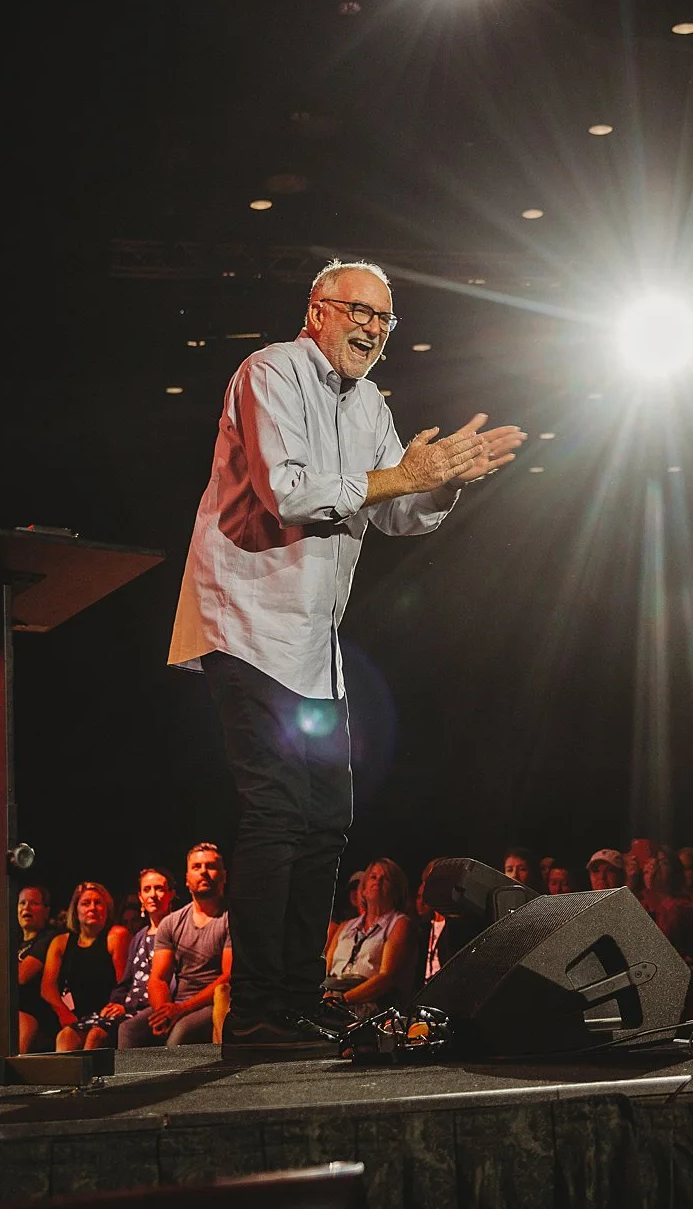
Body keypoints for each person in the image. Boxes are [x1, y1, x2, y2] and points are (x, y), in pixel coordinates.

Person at [165, 259, 523, 1049]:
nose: (371, 327)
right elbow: (288, 491)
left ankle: (295, 998)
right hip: (248, 622)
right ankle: (256, 1008)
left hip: (313, 648)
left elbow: (397, 514)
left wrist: (444, 482)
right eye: (358, 310)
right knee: (276, 812)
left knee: (327, 818)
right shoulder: (270, 371)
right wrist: (401, 474)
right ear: (318, 310)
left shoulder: (369, 405)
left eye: (384, 320)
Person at [144, 846, 233, 1046]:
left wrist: (181, 1010)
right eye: (196, 866)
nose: (203, 871)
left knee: (180, 1035)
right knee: (129, 1030)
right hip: (177, 1002)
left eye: (210, 866)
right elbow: (157, 978)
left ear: (223, 876)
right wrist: (163, 1012)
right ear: (186, 878)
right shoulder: (171, 923)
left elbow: (228, 977)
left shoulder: (232, 919)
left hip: (213, 1002)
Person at [322, 858, 416, 1020]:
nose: (377, 882)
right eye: (373, 877)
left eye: (385, 878)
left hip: (368, 1001)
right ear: (363, 888)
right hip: (331, 994)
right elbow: (326, 968)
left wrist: (343, 999)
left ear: (396, 889)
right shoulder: (345, 926)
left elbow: (386, 977)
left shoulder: (399, 923)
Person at [100, 866, 177, 1048]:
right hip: (129, 1006)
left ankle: (129, 1077)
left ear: (171, 894)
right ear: (141, 897)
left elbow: (175, 981)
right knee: (83, 1032)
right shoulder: (139, 936)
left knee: (122, 1030)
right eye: (147, 889)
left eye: (159, 888)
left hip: (154, 1006)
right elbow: (126, 981)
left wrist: (128, 1008)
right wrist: (115, 1003)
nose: (153, 895)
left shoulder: (177, 930)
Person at [46, 883, 129, 1052]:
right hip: (79, 1016)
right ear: (75, 910)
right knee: (65, 1037)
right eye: (85, 903)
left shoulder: (116, 935)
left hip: (108, 1014)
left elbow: (124, 983)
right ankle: (64, 1080)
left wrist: (118, 1005)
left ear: (107, 909)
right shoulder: (60, 943)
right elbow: (47, 987)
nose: (92, 908)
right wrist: (64, 1013)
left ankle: (91, 1079)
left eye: (98, 903)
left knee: (94, 1036)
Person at [13, 885, 57, 1052]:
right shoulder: (12, 941)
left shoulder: (49, 938)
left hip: (33, 1007)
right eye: (22, 903)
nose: (26, 908)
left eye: (33, 903)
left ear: (46, 910)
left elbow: (22, 976)